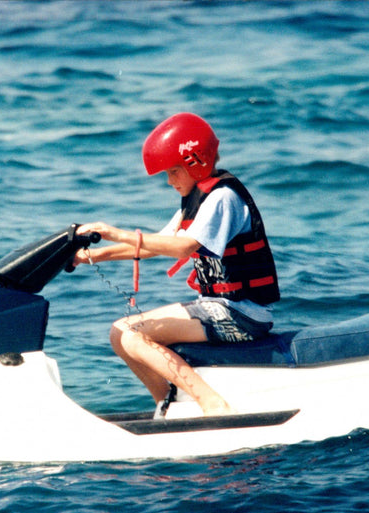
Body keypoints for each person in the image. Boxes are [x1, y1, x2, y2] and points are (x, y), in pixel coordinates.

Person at [73, 113, 279, 416]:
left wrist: (115, 232)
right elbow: (157, 243)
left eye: (173, 172)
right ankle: (169, 406)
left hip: (243, 315)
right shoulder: (197, 199)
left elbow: (184, 246)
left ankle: (213, 405)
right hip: (215, 307)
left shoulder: (223, 198)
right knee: (119, 333)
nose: (169, 181)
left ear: (197, 161)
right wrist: (92, 255)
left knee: (135, 335)